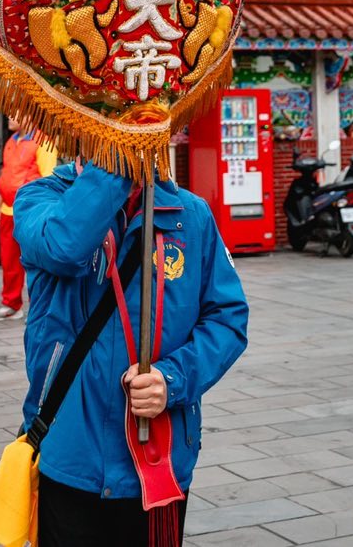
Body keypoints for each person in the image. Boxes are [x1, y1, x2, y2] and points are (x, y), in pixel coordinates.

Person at [16, 156, 248, 543]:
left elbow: (228, 319)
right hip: (67, 450)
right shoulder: (40, 199)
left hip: (158, 454)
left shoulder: (189, 215)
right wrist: (116, 158)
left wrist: (172, 379)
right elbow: (65, 245)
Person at [0, 127, 51, 322]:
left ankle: (39, 308)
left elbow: (48, 178)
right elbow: (6, 176)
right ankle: (11, 304)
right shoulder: (11, 141)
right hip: (8, 209)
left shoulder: (42, 140)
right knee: (8, 260)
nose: (10, 117)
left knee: (34, 261)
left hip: (29, 211)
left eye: (15, 112)